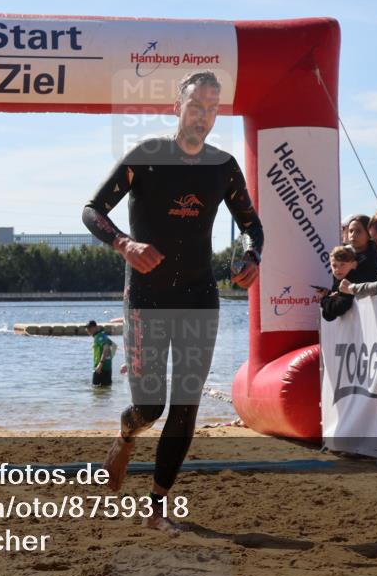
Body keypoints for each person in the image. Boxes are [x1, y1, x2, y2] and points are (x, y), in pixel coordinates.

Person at [81, 70, 264, 533]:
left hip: (199, 296)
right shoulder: (146, 157)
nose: (203, 116)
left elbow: (252, 225)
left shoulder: (222, 167)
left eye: (212, 109)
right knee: (151, 407)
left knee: (186, 405)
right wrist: (125, 244)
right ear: (176, 108)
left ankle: (157, 506)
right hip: (146, 299)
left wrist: (251, 254)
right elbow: (92, 209)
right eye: (196, 106)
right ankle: (125, 436)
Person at [319, 245, 358, 321]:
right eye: (334, 265)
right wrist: (330, 299)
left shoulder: (350, 281)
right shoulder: (337, 281)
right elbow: (329, 316)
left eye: (342, 264)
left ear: (353, 264)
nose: (338, 269)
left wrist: (324, 299)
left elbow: (338, 309)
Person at [343, 214, 377, 283]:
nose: (353, 235)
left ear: (369, 234)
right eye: (351, 231)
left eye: (358, 231)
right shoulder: (342, 255)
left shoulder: (375, 258)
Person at [86, 320, 114, 387]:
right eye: (87, 328)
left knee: (96, 390)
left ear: (96, 327)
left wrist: (100, 364)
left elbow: (106, 347)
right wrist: (109, 359)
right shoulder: (103, 335)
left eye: (90, 328)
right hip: (107, 367)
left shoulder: (99, 336)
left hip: (100, 368)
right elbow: (114, 346)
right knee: (105, 390)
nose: (88, 330)